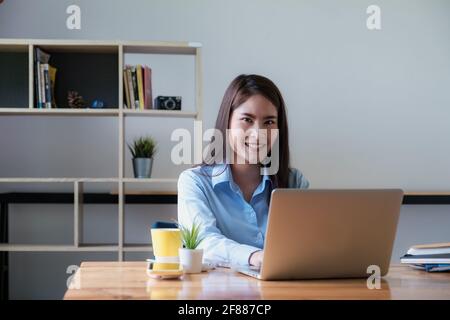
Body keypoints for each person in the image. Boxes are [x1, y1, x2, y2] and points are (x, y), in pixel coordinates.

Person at [177, 74, 309, 268]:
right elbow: (203, 242)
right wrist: (255, 256)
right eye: (247, 119)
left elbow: (307, 244)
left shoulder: (294, 182)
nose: (258, 134)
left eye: (269, 122)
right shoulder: (195, 182)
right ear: (227, 121)